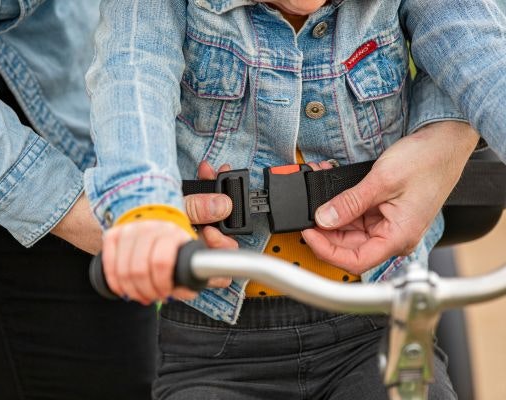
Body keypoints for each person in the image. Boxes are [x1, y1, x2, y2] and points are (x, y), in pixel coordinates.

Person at [86, 0, 506, 398]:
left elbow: (485, 59)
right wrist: (145, 212)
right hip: (214, 340)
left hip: (375, 316)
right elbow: (133, 75)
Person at [0, 1, 233, 399]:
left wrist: (140, 189)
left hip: (35, 58)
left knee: (113, 382)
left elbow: (139, 31)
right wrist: (75, 205)